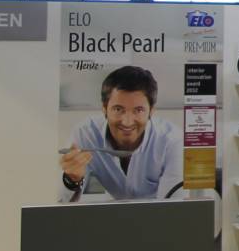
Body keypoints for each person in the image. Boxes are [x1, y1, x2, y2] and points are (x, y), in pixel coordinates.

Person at [58, 66, 183, 202]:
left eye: (138, 110)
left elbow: (173, 206)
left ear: (151, 111)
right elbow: (63, 204)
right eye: (118, 109)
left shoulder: (172, 141)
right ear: (104, 108)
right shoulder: (86, 134)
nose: (127, 122)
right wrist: (72, 179)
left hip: (157, 214)